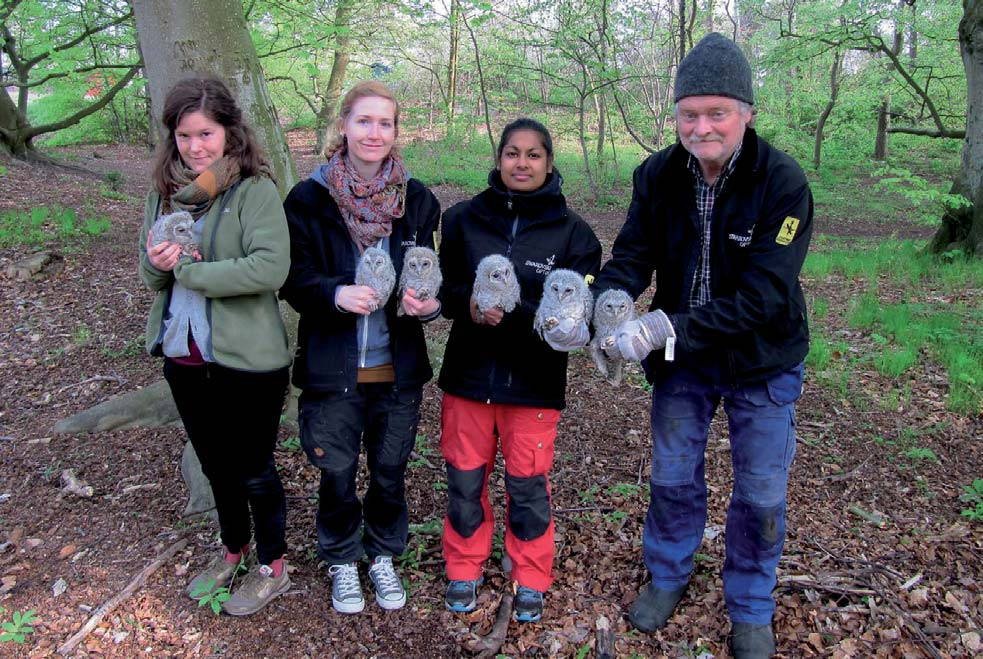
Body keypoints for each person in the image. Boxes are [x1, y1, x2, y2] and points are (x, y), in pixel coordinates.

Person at [591, 33, 813, 658]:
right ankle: (668, 575)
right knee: (672, 476)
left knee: (762, 493)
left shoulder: (783, 182)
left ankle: (750, 605)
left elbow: (767, 295)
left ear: (746, 113)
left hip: (761, 360)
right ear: (677, 116)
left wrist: (664, 327)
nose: (703, 125)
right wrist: (606, 308)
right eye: (690, 113)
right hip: (683, 366)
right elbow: (632, 256)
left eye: (717, 112)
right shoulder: (657, 175)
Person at [280, 81, 441, 615]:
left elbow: (427, 273)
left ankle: (383, 554)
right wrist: (334, 292)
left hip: (397, 368)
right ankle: (343, 558)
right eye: (364, 121)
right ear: (344, 127)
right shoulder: (309, 199)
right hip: (334, 367)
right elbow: (292, 279)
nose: (375, 133)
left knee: (391, 469)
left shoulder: (417, 201)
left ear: (397, 132)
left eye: (385, 123)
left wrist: (428, 304)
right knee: (337, 471)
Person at [438, 118, 602, 623]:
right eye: (512, 153)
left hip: (534, 384)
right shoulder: (463, 220)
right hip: (468, 378)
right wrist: (469, 306)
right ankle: (463, 566)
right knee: (465, 480)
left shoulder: (575, 234)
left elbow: (579, 315)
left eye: (533, 155)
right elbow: (442, 291)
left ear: (549, 162)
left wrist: (528, 314)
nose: (522, 163)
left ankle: (530, 573)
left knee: (528, 484)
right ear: (499, 158)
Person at [139, 77, 292, 616]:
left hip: (250, 361)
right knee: (215, 465)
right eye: (184, 135)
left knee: (253, 467)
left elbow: (271, 267)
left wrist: (190, 271)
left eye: (206, 133)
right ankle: (234, 550)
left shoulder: (254, 190)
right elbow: (149, 273)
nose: (195, 146)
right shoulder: (162, 194)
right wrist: (160, 267)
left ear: (229, 132)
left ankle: (273, 567)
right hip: (185, 357)